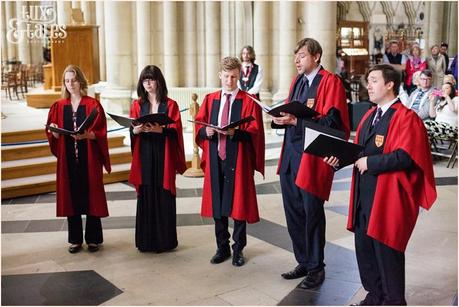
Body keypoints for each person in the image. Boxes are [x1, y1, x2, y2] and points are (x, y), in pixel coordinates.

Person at [324, 64, 437, 305]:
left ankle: (394, 301)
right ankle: (374, 295)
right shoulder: (368, 115)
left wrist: (371, 162)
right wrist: (339, 159)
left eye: (374, 80)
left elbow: (407, 157)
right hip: (364, 197)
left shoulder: (407, 118)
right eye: (369, 80)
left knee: (387, 252)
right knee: (365, 250)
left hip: (388, 198)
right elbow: (358, 152)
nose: (369, 85)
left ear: (390, 85)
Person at [272, 38, 350, 289]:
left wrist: (297, 122)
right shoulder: (297, 82)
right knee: (293, 212)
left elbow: (333, 124)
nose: (297, 60)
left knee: (312, 213)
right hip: (290, 155)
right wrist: (281, 118)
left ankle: (317, 268)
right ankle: (303, 261)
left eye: (302, 55)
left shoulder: (330, 82)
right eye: (296, 56)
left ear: (316, 56)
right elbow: (292, 113)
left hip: (312, 157)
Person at [195, 56, 265, 267]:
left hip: (239, 159)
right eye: (226, 77)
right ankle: (222, 247)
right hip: (217, 157)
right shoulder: (210, 99)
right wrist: (206, 131)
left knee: (239, 205)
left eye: (234, 77)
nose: (229, 81)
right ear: (220, 75)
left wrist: (236, 132)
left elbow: (255, 132)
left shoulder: (248, 100)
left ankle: (238, 249)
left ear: (239, 77)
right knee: (218, 204)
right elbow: (199, 125)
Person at [46, 65, 111, 254]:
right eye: (67, 80)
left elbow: (101, 132)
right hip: (68, 160)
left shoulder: (93, 105)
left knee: (91, 195)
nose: (70, 84)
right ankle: (75, 239)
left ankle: (93, 239)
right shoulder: (58, 106)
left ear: (80, 81)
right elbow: (53, 134)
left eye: (73, 80)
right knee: (71, 196)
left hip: (89, 158)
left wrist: (87, 136)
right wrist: (54, 131)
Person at [129, 65, 186, 252]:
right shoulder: (137, 105)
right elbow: (132, 128)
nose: (148, 83)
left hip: (163, 155)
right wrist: (134, 130)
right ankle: (146, 242)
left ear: (158, 81)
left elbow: (176, 130)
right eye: (145, 79)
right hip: (144, 154)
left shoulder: (170, 105)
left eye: (151, 79)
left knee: (163, 195)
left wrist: (161, 129)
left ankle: (165, 241)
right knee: (146, 194)